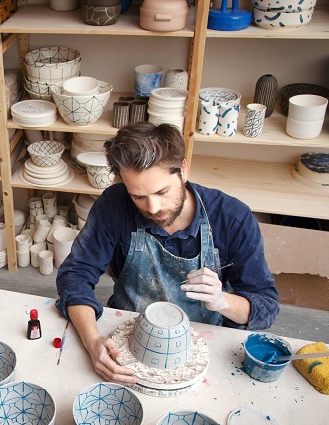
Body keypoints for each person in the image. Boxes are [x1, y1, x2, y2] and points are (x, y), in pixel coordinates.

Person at [56, 123, 279, 384]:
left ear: (183, 170)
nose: (153, 207)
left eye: (162, 192)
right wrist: (92, 340)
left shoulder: (232, 219)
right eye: (138, 197)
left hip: (200, 343)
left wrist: (223, 300)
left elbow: (266, 308)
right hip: (129, 339)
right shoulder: (114, 205)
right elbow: (75, 275)